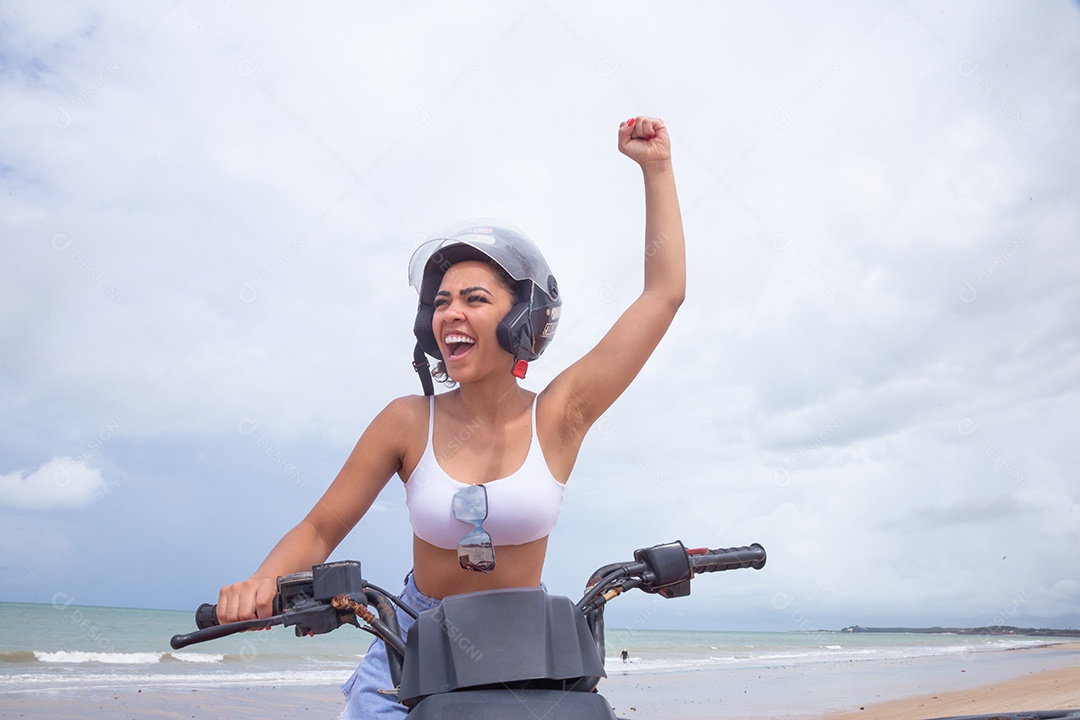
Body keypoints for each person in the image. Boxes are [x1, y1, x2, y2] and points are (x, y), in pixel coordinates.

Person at [215, 116, 685, 718]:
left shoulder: (560, 415)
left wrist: (656, 168)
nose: (450, 313)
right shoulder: (407, 421)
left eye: (474, 299)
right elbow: (319, 530)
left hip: (529, 649)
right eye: (440, 303)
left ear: (522, 320)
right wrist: (261, 583)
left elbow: (662, 295)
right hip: (413, 645)